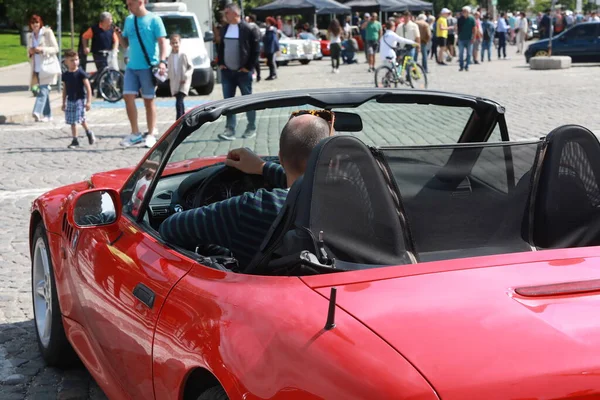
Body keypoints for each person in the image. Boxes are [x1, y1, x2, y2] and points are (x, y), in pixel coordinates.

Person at [159, 112, 332, 267]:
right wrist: (263, 167)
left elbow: (170, 228)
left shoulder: (252, 207)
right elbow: (301, 185)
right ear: (329, 159)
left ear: (280, 157)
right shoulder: (350, 196)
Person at [116, 0, 168, 148]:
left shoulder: (154, 20)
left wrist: (162, 61)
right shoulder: (129, 20)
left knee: (148, 100)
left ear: (140, 2)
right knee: (127, 96)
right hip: (132, 66)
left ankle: (151, 133)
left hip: (148, 66)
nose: (128, 7)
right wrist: (119, 36)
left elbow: (162, 42)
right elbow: (126, 44)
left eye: (130, 4)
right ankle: (135, 133)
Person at [217, 3, 260, 141]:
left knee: (247, 101)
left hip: (243, 73)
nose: (225, 15)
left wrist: (248, 67)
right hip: (227, 73)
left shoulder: (248, 29)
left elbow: (255, 50)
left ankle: (251, 127)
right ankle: (230, 130)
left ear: (235, 13)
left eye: (227, 13)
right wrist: (221, 63)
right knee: (228, 103)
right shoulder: (224, 29)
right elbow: (221, 47)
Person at [27, 14, 59, 123]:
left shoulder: (47, 33)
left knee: (44, 89)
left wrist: (42, 49)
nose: (35, 25)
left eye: (36, 22)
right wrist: (30, 52)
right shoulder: (30, 36)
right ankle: (48, 115)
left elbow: (55, 48)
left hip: (47, 65)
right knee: (43, 90)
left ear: (40, 23)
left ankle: (37, 111)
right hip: (36, 67)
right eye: (32, 23)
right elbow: (28, 51)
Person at [61, 50, 95, 149]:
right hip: (70, 100)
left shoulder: (81, 73)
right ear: (66, 62)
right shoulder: (66, 75)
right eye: (71, 60)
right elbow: (65, 90)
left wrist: (88, 101)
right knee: (72, 121)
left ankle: (88, 132)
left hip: (80, 99)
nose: (74, 62)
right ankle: (75, 139)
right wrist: (63, 102)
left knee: (79, 119)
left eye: (76, 59)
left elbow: (88, 88)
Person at [167, 34, 193, 120]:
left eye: (176, 42)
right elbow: (170, 69)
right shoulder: (170, 56)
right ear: (170, 44)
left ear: (180, 43)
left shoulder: (183, 54)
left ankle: (178, 120)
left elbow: (191, 67)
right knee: (180, 102)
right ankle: (184, 118)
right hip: (175, 82)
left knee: (179, 101)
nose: (175, 45)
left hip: (183, 81)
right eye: (173, 43)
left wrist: (185, 76)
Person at [457, 6, 476, 72]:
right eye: (463, 11)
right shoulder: (460, 19)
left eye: (465, 11)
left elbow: (474, 28)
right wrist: (457, 36)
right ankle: (461, 66)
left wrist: (474, 37)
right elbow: (457, 28)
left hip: (469, 38)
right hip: (461, 38)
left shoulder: (472, 19)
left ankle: (467, 66)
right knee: (461, 53)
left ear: (468, 12)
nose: (463, 12)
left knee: (469, 53)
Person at [247, 14, 262, 82]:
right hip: (257, 45)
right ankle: (258, 75)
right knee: (256, 62)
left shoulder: (251, 25)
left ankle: (253, 75)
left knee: (253, 61)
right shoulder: (256, 26)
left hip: (252, 46)